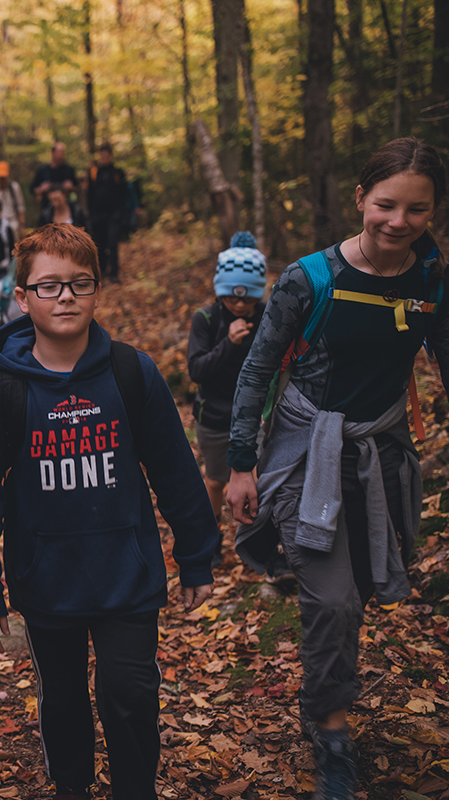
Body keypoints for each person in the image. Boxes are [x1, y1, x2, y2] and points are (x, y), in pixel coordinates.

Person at [227, 138, 449, 800]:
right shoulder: (309, 279)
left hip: (380, 455)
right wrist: (242, 465)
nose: (398, 222)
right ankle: (331, 733)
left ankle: (327, 692)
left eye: (418, 209)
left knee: (355, 598)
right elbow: (258, 370)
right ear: (360, 199)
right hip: (304, 451)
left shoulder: (431, 279)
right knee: (334, 598)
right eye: (386, 204)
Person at [0, 224, 217, 800]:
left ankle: (136, 789)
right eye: (49, 286)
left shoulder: (132, 373)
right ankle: (72, 787)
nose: (65, 297)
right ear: (22, 296)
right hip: (45, 578)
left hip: (126, 575)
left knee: (129, 693)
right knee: (62, 697)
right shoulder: (1, 393)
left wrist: (197, 556)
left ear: (96, 291)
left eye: (80, 284)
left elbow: (174, 470)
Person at [186, 232, 267, 567]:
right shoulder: (206, 319)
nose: (238, 305)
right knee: (217, 479)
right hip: (215, 417)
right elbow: (197, 370)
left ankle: (260, 539)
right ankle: (212, 538)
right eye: (232, 297)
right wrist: (228, 344)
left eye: (247, 299)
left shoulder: (267, 315)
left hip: (258, 415)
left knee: (261, 477)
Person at [87, 143, 129, 282]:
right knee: (99, 244)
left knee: (112, 243)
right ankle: (102, 271)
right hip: (97, 216)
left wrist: (122, 215)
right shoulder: (94, 172)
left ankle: (114, 273)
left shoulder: (117, 173)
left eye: (106, 155)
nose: (104, 158)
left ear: (111, 156)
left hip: (114, 215)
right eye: (102, 155)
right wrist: (91, 214)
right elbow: (89, 194)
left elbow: (124, 194)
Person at [33, 141, 78, 225]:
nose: (61, 155)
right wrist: (42, 189)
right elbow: (33, 189)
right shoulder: (43, 170)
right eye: (59, 152)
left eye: (63, 153)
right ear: (52, 153)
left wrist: (71, 187)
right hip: (47, 212)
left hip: (68, 213)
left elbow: (77, 190)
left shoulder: (69, 170)